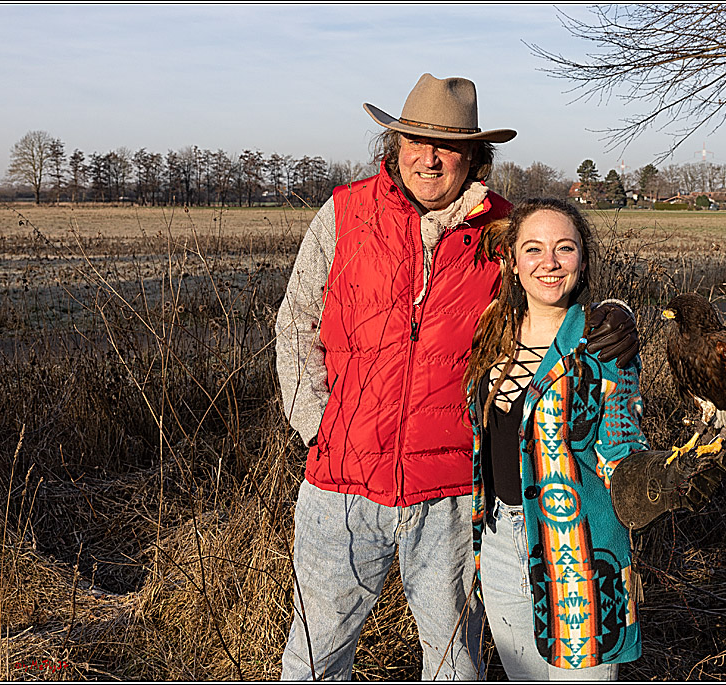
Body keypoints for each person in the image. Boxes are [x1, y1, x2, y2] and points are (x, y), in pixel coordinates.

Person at [275, 74, 639, 680]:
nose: (429, 157)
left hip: (450, 495)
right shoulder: (345, 214)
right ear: (394, 145)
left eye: (447, 145)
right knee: (313, 660)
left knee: (454, 666)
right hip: (339, 489)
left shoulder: (500, 230)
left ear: (474, 155)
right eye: (416, 140)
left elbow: (554, 290)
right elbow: (295, 325)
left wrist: (619, 320)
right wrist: (321, 428)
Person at [463, 198, 649, 680]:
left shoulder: (605, 343)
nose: (549, 263)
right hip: (501, 543)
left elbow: (623, 445)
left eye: (565, 249)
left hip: (579, 553)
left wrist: (655, 479)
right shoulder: (491, 333)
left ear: (583, 261)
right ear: (512, 261)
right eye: (534, 249)